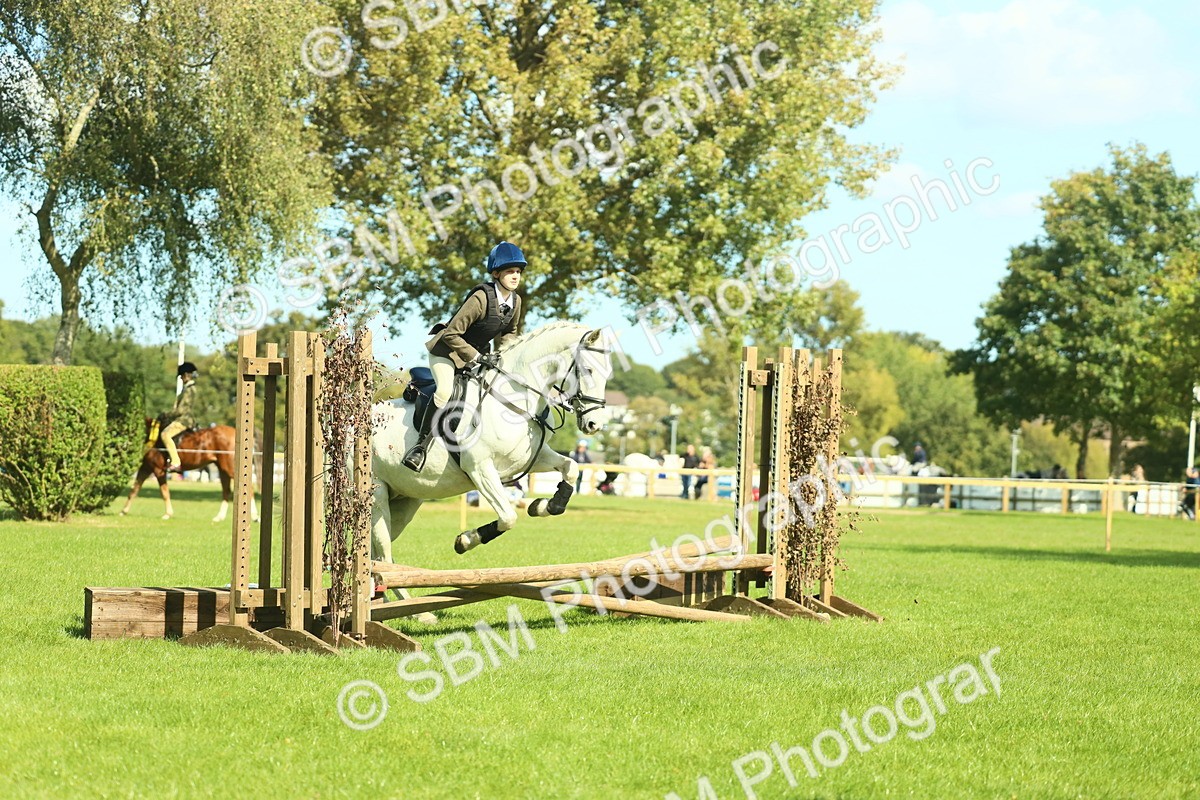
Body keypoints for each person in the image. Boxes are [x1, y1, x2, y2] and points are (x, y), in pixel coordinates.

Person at [402, 241, 526, 471]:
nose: (515, 276)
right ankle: (419, 447)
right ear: (496, 273)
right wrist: (477, 357)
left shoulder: (515, 301)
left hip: (476, 356)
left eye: (518, 272)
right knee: (444, 392)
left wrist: (507, 356)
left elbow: (510, 333)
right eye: (510, 271)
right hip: (446, 352)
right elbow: (451, 333)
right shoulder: (481, 298)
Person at [162, 362, 199, 472]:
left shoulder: (189, 389)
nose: (182, 379)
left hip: (184, 420)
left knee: (165, 434)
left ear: (187, 375)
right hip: (184, 418)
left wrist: (167, 415)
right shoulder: (188, 388)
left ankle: (175, 461)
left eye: (182, 376)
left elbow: (181, 410)